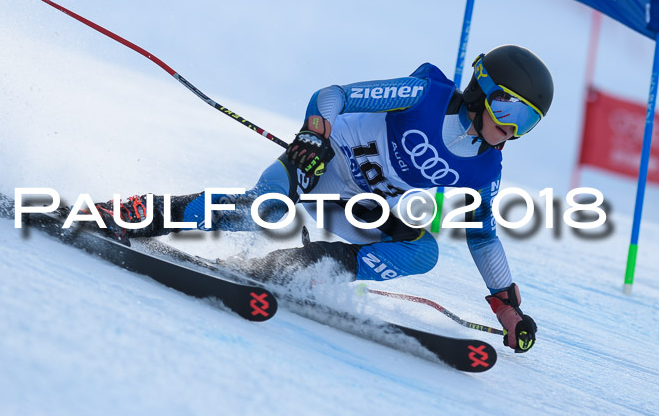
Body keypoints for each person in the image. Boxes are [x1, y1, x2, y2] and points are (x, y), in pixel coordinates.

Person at [91, 45, 552, 353]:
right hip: (321, 164)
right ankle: (144, 213)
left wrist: (506, 306)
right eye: (511, 112)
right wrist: (315, 133)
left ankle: (299, 267)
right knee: (265, 212)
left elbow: (483, 236)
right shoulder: (424, 96)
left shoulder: (485, 165)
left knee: (423, 250)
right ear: (483, 92)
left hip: (361, 205)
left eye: (528, 123)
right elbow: (332, 95)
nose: (513, 131)